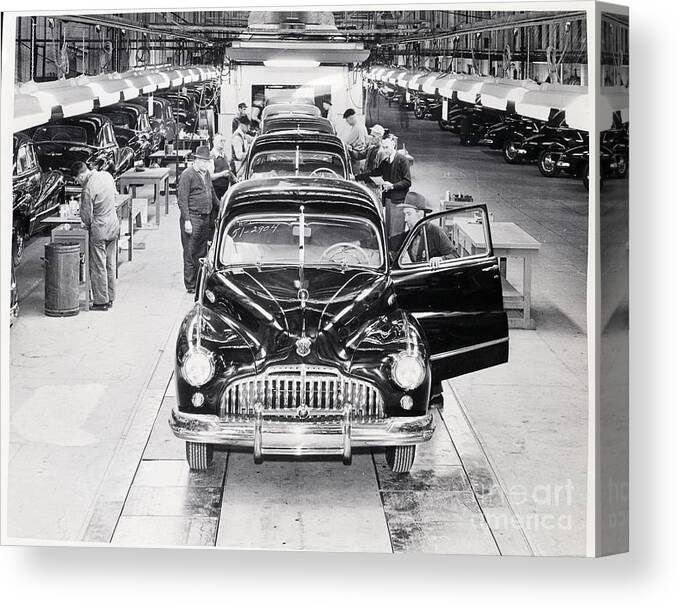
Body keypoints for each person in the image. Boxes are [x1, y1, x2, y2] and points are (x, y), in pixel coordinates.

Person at [71, 162, 119, 311]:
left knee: (98, 265)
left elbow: (86, 217)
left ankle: (100, 301)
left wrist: (86, 221)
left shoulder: (88, 187)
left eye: (77, 180)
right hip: (113, 224)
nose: (78, 183)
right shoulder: (107, 175)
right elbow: (115, 195)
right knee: (109, 263)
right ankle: (110, 297)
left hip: (100, 228)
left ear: (81, 175)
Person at [177, 145, 220, 294]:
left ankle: (199, 282)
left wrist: (221, 207)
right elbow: (182, 200)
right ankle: (190, 285)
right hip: (193, 218)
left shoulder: (206, 173)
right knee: (190, 252)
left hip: (205, 217)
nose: (205, 164)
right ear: (196, 160)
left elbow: (212, 192)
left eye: (207, 161)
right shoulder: (187, 175)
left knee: (202, 252)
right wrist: (187, 220)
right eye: (203, 161)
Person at [356, 135, 411, 236]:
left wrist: (392, 186)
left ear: (393, 146)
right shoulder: (386, 161)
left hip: (398, 201)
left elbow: (407, 181)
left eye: (387, 147)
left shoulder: (402, 160)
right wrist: (357, 177)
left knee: (396, 230)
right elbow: (375, 172)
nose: (385, 150)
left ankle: (395, 250)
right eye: (383, 147)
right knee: (389, 228)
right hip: (388, 199)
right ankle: (389, 250)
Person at [390, 192, 456, 268]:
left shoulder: (435, 231)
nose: (405, 219)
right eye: (404, 214)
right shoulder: (409, 234)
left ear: (420, 214)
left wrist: (440, 259)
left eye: (409, 214)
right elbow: (391, 242)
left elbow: (454, 256)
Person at [340, 108, 368, 173]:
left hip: (356, 158)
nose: (347, 122)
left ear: (350, 118)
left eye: (347, 120)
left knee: (354, 175)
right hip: (361, 156)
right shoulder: (361, 125)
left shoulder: (356, 127)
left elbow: (347, 141)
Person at [210, 133, 233, 200]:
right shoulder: (211, 156)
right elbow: (209, 177)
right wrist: (222, 174)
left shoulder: (224, 155)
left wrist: (235, 179)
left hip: (225, 190)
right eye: (220, 141)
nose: (223, 143)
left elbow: (228, 170)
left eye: (224, 141)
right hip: (215, 191)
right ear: (214, 142)